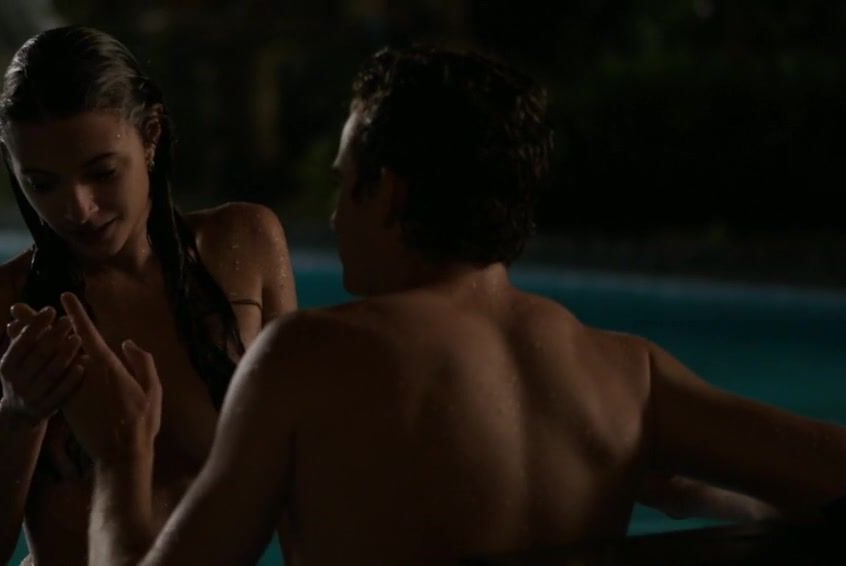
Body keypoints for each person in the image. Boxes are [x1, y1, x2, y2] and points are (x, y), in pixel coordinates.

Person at [66, 45, 846, 564]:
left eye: (344, 185)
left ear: (389, 192)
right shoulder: (627, 375)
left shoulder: (304, 359)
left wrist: (120, 458)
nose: (334, 218)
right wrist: (693, 488)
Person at [0, 26, 297, 565]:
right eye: (42, 183)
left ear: (151, 136)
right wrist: (19, 416)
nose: (77, 209)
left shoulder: (244, 246)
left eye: (101, 173)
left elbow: (303, 478)